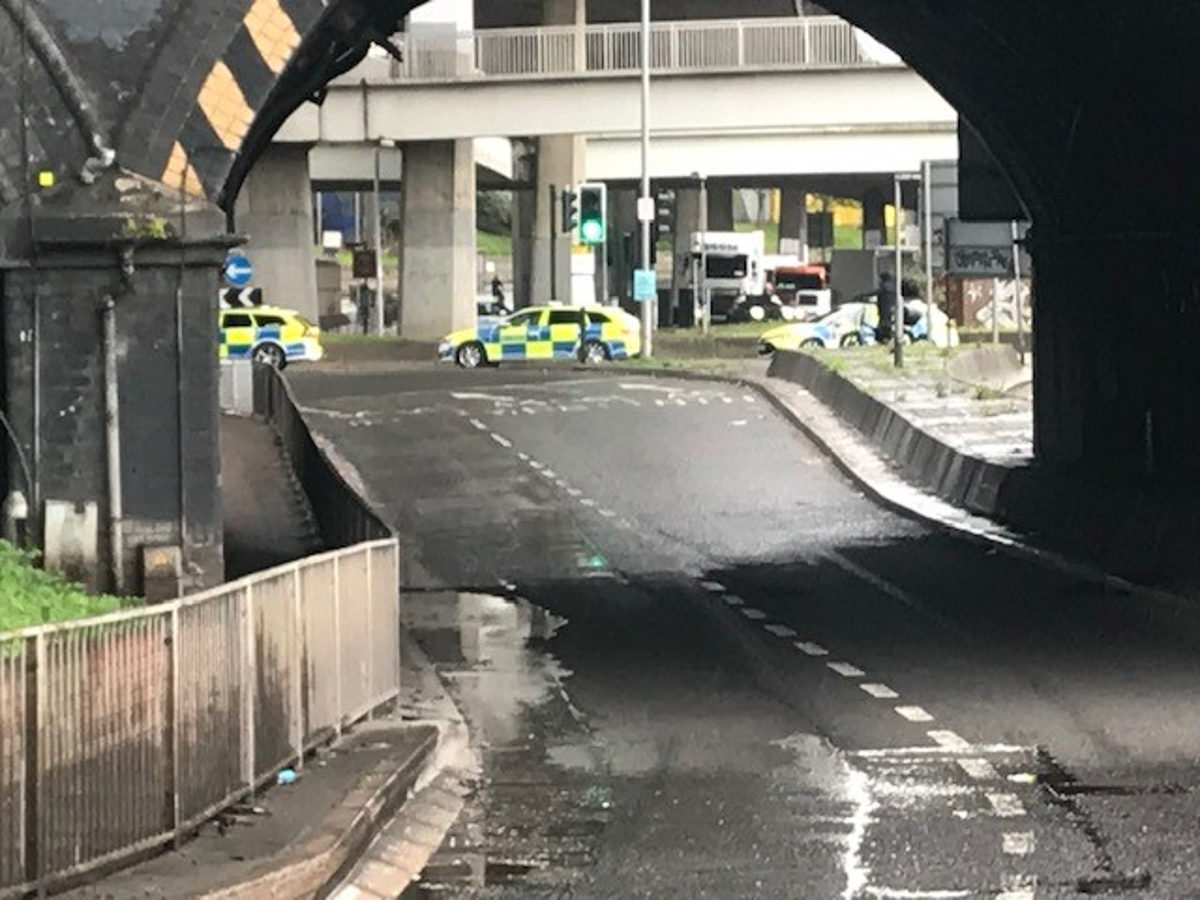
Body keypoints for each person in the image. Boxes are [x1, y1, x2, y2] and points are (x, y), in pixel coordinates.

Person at [875, 271, 896, 344]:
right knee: (888, 323)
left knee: (884, 324)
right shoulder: (892, 288)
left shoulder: (884, 287)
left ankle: (885, 339)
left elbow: (878, 294)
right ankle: (887, 338)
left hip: (884, 309)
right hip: (890, 308)